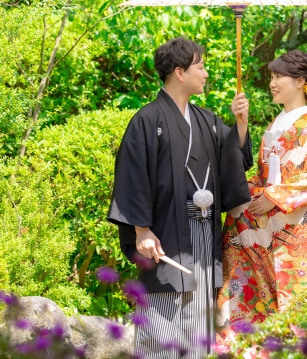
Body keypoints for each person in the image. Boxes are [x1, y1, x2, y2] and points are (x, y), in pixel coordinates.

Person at [107, 37, 253, 359]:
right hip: (167, 235)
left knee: (198, 325)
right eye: (200, 67)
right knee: (163, 318)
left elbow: (233, 158)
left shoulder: (206, 120)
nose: (206, 74)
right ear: (179, 72)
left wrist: (240, 125)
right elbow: (133, 175)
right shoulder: (147, 120)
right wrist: (141, 230)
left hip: (203, 233)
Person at [217, 49, 307, 329]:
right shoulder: (277, 123)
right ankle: (247, 331)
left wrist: (275, 196)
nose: (272, 83)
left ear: (301, 81)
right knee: (236, 224)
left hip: (297, 218)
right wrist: (245, 195)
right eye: (272, 77)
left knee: (297, 294)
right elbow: (262, 175)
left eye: (279, 77)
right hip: (269, 215)